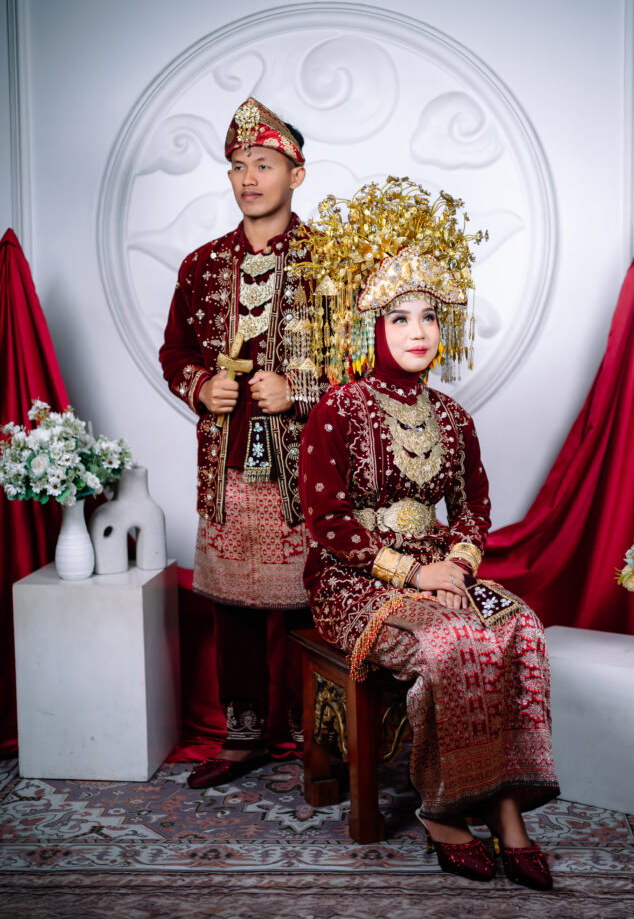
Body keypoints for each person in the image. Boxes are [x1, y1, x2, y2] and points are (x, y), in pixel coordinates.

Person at [295, 178, 559, 890]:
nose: (419, 332)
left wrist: (458, 567)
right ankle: (445, 812)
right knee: (452, 643)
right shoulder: (336, 409)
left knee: (520, 628)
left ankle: (506, 813)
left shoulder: (451, 415)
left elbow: (474, 507)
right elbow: (325, 521)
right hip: (355, 581)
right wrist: (414, 575)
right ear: (369, 326)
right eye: (400, 317)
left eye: (430, 316)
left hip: (442, 570)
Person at [160, 98, 323, 788]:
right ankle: (244, 734)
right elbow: (174, 352)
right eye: (236, 166)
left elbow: (366, 368)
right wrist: (201, 387)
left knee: (316, 601)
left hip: (307, 469)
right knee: (231, 604)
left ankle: (322, 736)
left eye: (263, 164)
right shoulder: (200, 266)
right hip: (225, 464)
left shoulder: (332, 265)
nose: (248, 177)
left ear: (296, 174)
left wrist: (299, 390)